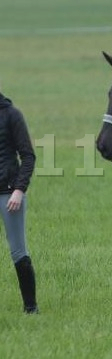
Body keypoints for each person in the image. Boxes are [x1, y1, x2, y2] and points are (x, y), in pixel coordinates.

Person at [0, 86, 38, 314]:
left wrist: (19, 189)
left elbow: (28, 156)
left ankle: (31, 308)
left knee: (18, 252)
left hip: (8, 194)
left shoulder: (12, 115)